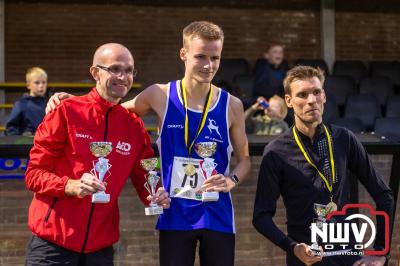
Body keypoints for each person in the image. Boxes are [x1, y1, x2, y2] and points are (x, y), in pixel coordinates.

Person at [47, 21, 250, 266]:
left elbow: (245, 160)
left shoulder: (233, 105)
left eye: (215, 57)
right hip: (175, 215)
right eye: (200, 56)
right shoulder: (160, 94)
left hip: (218, 215)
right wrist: (74, 103)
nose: (208, 65)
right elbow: (110, 112)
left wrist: (232, 180)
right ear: (183, 54)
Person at [25, 43, 170, 266]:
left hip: (100, 250)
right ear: (95, 72)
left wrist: (156, 193)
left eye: (129, 70)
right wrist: (70, 185)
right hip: (52, 245)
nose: (123, 77)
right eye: (115, 69)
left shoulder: (134, 126)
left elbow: (146, 177)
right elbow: (34, 174)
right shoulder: (65, 111)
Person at [252, 66, 393, 266]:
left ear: (324, 96)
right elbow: (261, 217)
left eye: (316, 92)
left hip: (348, 259)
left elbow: (383, 194)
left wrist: (381, 252)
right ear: (289, 101)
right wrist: (292, 246)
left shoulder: (344, 139)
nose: (311, 100)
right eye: (302, 94)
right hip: (304, 260)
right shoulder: (276, 151)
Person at [5, 67, 48, 136]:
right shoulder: (21, 104)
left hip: (44, 143)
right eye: (37, 83)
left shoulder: (48, 104)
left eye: (44, 82)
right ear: (28, 85)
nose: (41, 85)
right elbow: (11, 128)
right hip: (26, 145)